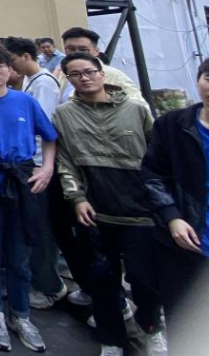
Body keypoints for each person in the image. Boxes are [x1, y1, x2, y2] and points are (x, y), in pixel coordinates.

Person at [52, 53, 166, 356]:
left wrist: (159, 199)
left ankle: (151, 326)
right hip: (95, 210)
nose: (84, 78)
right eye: (76, 74)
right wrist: (76, 198)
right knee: (101, 280)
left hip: (140, 208)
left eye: (89, 72)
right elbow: (65, 161)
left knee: (144, 278)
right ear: (68, 80)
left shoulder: (135, 109)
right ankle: (112, 339)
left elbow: (157, 156)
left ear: (102, 74)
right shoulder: (63, 114)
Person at [0, 44, 57, 354]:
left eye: (0, 66)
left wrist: (47, 168)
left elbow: (50, 137)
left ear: (10, 69)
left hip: (22, 181)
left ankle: (21, 314)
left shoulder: (25, 101)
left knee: (20, 253)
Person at [142, 55, 209, 353]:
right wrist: (172, 217)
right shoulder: (172, 125)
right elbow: (153, 174)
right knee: (182, 318)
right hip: (180, 239)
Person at [1, 36, 68, 311]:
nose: (8, 66)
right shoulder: (30, 82)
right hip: (30, 165)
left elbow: (43, 127)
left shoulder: (43, 83)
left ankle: (50, 286)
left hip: (38, 167)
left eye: (10, 59)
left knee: (40, 229)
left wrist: (44, 166)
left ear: (25, 56)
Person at [56, 27, 143, 105]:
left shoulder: (114, 76)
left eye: (83, 50)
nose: (76, 53)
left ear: (96, 51)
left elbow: (139, 107)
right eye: (71, 49)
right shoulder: (63, 74)